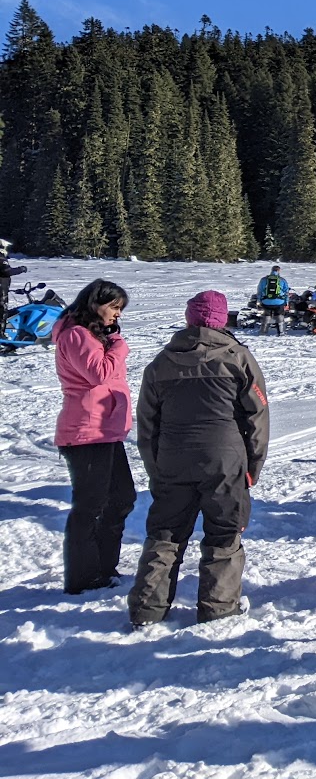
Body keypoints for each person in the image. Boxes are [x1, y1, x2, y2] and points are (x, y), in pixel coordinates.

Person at [128, 291, 270, 626]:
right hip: (225, 459)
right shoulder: (238, 357)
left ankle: (147, 609)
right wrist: (252, 466)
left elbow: (147, 423)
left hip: (173, 458)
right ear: (222, 320)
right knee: (224, 532)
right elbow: (257, 416)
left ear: (189, 318)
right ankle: (218, 608)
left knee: (165, 532)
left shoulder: (161, 362)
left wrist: (155, 467)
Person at [52, 278, 136, 595]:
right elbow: (99, 373)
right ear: (95, 303)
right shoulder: (76, 334)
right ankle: (83, 578)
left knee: (122, 498)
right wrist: (118, 345)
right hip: (86, 433)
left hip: (106, 431)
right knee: (89, 506)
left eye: (120, 308)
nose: (118, 314)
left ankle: (103, 567)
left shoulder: (92, 334)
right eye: (114, 307)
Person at [256, 265, 291, 335]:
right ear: (279, 271)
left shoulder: (264, 279)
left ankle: (263, 331)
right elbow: (286, 292)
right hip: (279, 302)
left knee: (266, 315)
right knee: (279, 316)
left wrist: (259, 300)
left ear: (271, 270)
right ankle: (281, 332)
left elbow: (259, 291)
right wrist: (286, 302)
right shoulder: (282, 280)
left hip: (266, 301)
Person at [0, 238, 25, 312]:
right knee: (2, 308)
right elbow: (7, 271)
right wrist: (21, 269)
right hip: (1, 287)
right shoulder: (1, 258)